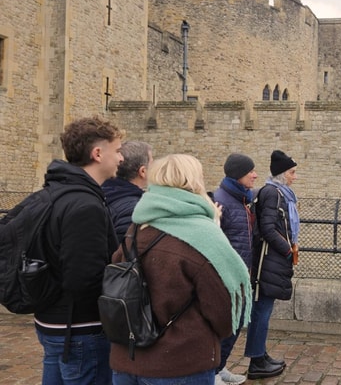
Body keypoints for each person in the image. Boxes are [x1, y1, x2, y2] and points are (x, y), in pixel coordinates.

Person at [110, 154, 252, 385]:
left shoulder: (137, 226)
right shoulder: (203, 237)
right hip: (180, 363)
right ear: (194, 182)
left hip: (129, 356)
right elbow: (222, 310)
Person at [35, 116, 123, 385]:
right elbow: (83, 280)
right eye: (117, 150)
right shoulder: (84, 205)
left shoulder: (55, 191)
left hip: (53, 321)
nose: (121, 158)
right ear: (98, 154)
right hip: (80, 329)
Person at [244, 150, 299, 379]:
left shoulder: (280, 194)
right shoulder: (273, 194)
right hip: (268, 261)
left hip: (272, 261)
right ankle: (257, 361)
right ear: (282, 174)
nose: (295, 177)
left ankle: (260, 354)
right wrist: (288, 250)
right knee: (261, 310)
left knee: (264, 309)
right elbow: (267, 228)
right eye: (292, 173)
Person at [210, 153, 258, 385]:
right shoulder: (221, 201)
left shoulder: (241, 199)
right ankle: (212, 372)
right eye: (251, 171)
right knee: (226, 325)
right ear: (239, 174)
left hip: (240, 275)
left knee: (236, 324)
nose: (255, 175)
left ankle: (220, 366)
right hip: (225, 278)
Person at [102, 140, 153, 242]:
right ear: (143, 171)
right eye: (152, 163)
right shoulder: (134, 209)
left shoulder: (101, 192)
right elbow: (125, 251)